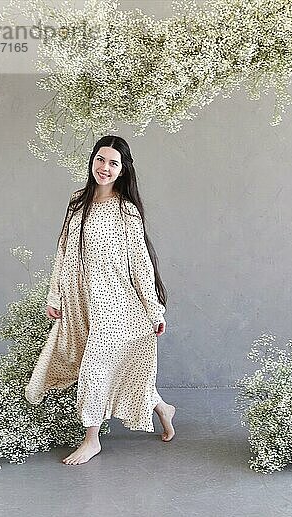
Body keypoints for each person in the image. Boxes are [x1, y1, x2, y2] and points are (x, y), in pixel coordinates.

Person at [25, 135, 176, 465]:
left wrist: (154, 310)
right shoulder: (77, 201)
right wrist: (56, 296)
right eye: (100, 160)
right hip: (83, 301)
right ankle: (162, 408)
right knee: (105, 369)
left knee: (95, 369)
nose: (105, 168)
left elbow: (141, 264)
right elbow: (64, 251)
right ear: (92, 161)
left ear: (122, 170)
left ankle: (91, 440)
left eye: (113, 163)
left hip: (119, 305)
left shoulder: (127, 211)